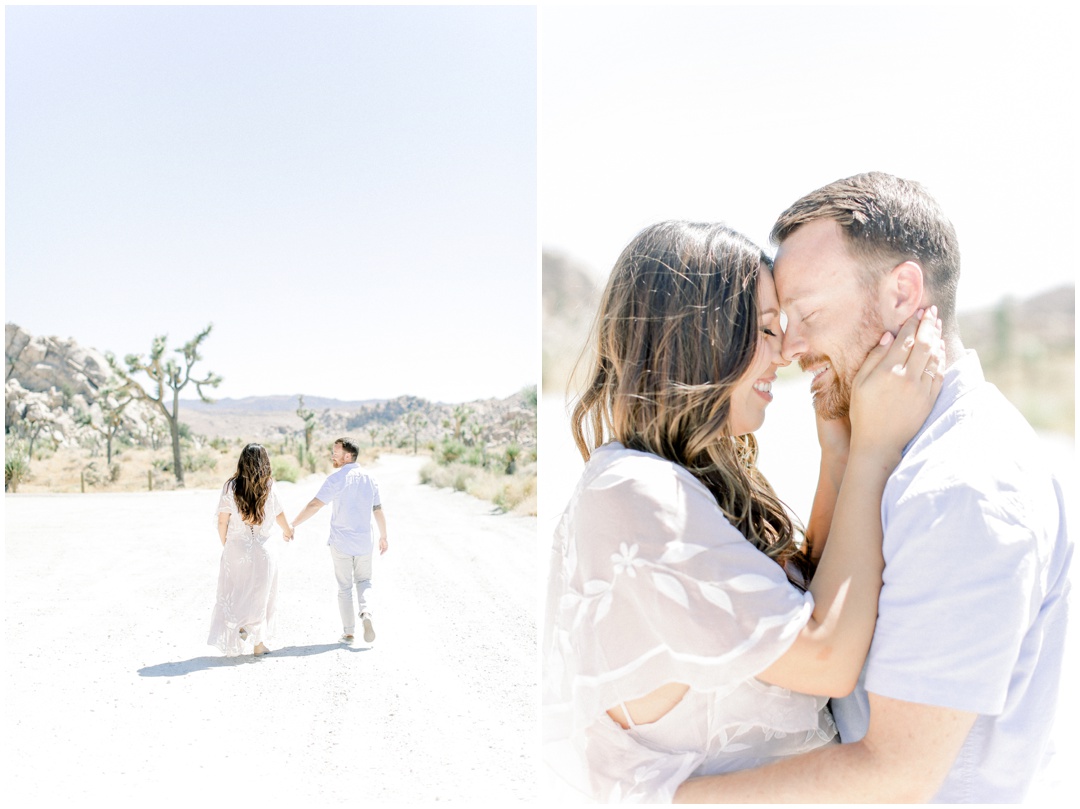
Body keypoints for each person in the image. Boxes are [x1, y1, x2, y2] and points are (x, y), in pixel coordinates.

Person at [675, 172, 1072, 803]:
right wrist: (845, 456)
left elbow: (896, 775)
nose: (789, 348)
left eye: (805, 314)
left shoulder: (962, 487)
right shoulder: (908, 454)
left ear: (902, 291)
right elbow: (819, 625)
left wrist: (661, 798)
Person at [542, 220, 944, 802]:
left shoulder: (685, 479)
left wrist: (837, 457)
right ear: (697, 337)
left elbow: (804, 602)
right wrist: (873, 452)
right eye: (762, 329)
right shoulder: (633, 489)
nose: (785, 353)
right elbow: (824, 655)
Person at [291, 437, 388, 644]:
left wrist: (294, 524)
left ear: (347, 455)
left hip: (341, 543)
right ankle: (367, 612)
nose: (332, 455)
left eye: (335, 451)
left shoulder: (336, 479)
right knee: (365, 581)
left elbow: (315, 504)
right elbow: (377, 509)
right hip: (364, 542)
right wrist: (384, 535)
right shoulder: (370, 478)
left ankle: (349, 632)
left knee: (344, 588)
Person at [208, 443, 294, 657]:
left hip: (236, 549)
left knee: (237, 591)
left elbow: (222, 521)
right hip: (263, 550)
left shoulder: (231, 486)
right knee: (262, 595)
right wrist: (288, 531)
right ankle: (258, 644)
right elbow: (279, 514)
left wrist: (227, 545)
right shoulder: (269, 486)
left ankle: (241, 628)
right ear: (265, 462)